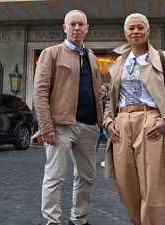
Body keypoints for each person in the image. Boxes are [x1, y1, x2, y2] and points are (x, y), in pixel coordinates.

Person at [103, 13, 165, 225]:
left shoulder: (163, 58)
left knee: (153, 186)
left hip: (151, 121)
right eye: (131, 28)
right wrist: (108, 122)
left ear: (148, 31)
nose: (136, 31)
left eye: (140, 27)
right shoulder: (119, 62)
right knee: (125, 184)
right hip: (122, 123)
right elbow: (110, 98)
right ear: (125, 33)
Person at [33, 9, 103, 225]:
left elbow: (96, 89)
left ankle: (79, 220)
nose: (76, 28)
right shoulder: (51, 53)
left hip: (89, 126)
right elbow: (40, 92)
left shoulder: (91, 57)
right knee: (55, 177)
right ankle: (52, 222)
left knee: (86, 176)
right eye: (72, 24)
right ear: (65, 28)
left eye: (81, 24)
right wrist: (46, 126)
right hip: (60, 126)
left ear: (87, 29)